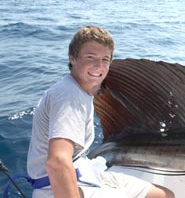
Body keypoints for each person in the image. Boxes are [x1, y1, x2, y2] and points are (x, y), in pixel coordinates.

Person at [27, 26, 174, 198]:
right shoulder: (69, 96)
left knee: (163, 195)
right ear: (72, 58)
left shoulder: (80, 89)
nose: (99, 66)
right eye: (91, 57)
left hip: (84, 173)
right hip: (53, 187)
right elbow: (57, 162)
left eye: (105, 59)